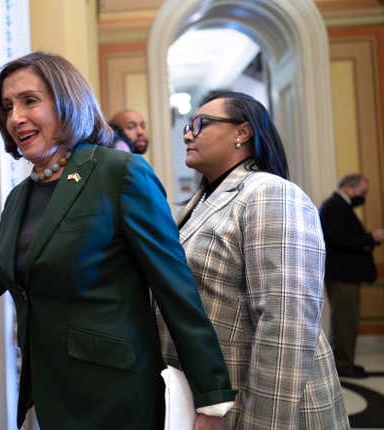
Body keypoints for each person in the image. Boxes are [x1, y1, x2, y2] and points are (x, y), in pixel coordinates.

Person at [0, 52, 236, 430]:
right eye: (7, 107)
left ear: (66, 102)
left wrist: (210, 401)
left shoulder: (120, 173)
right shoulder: (20, 197)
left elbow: (175, 289)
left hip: (118, 397)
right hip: (49, 397)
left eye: (30, 101)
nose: (16, 117)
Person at [157, 90, 349, 429]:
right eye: (189, 125)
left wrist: (264, 424)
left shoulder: (270, 192)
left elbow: (286, 324)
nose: (188, 133)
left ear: (241, 133)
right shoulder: (199, 201)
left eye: (200, 124)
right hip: (215, 396)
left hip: (262, 402)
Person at [319, 174, 384, 378]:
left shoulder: (339, 206)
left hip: (345, 275)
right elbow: (343, 239)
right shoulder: (335, 206)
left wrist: (369, 239)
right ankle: (342, 364)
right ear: (348, 187)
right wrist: (370, 237)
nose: (363, 196)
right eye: (362, 192)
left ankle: (344, 361)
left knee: (346, 319)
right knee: (345, 320)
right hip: (342, 275)